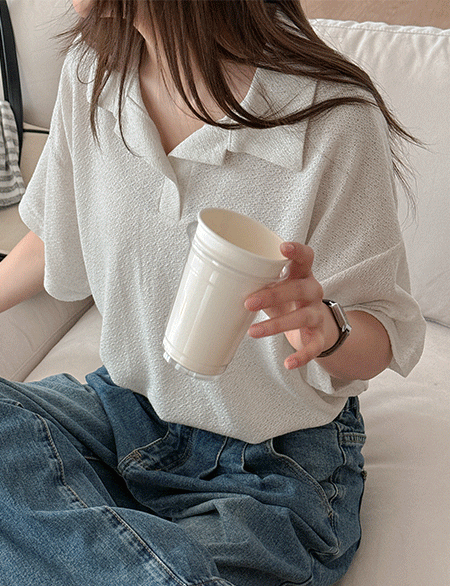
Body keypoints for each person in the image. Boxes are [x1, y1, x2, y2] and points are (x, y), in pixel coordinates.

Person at [0, 1, 425, 584]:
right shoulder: (92, 74)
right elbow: (58, 230)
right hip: (127, 414)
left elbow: (383, 332)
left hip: (273, 465)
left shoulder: (333, 117)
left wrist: (327, 329)